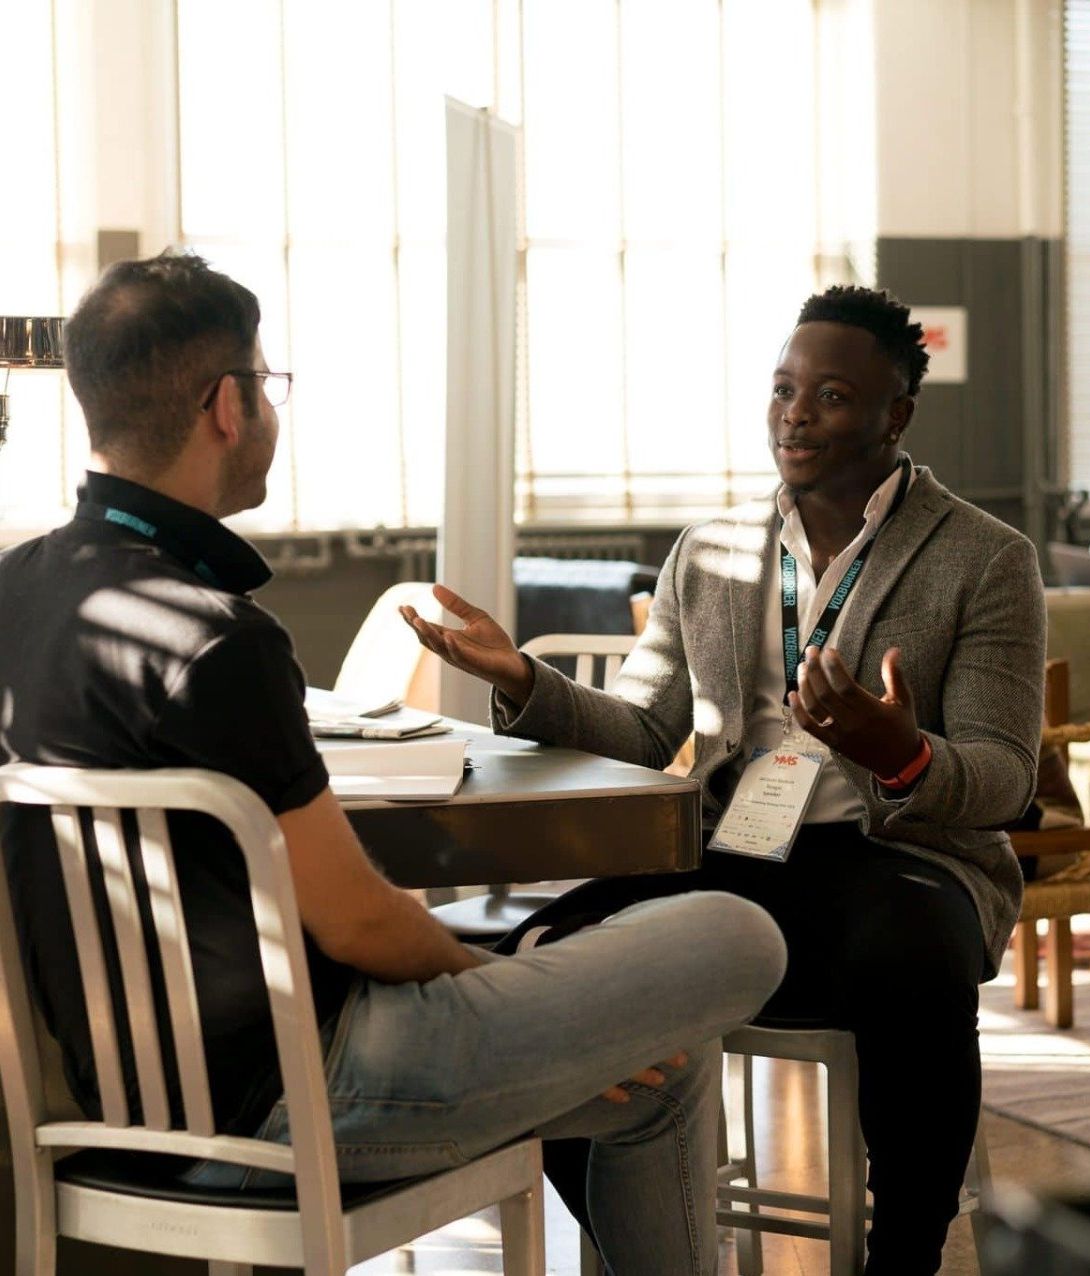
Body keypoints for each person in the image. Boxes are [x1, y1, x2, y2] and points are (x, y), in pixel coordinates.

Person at [0, 252, 788, 1276]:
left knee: (665, 1071)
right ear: (227, 405)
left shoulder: (19, 587)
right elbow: (360, 920)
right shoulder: (220, 639)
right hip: (302, 1099)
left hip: (116, 1103)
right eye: (270, 381)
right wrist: (496, 981)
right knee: (736, 929)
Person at [403, 285, 1047, 1276]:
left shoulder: (985, 557)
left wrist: (899, 753)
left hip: (903, 858)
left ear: (896, 415)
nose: (795, 413)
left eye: (830, 394)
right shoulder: (707, 552)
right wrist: (524, 681)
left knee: (912, 955)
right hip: (736, 849)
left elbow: (1004, 777)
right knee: (555, 950)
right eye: (784, 388)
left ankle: (904, 1256)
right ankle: (642, 1247)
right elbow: (649, 727)